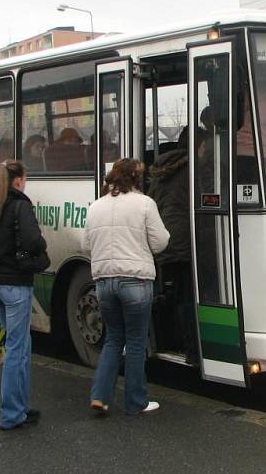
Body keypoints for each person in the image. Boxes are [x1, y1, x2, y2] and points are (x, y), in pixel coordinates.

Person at [83, 158, 170, 415]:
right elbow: (160, 242)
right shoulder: (145, 204)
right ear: (136, 179)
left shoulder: (95, 207)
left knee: (112, 339)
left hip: (104, 283)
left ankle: (99, 396)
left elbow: (86, 244)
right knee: (134, 342)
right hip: (135, 282)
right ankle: (136, 402)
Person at [0, 160, 47, 431]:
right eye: (24, 179)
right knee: (17, 348)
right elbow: (32, 243)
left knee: (20, 345)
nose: (25, 184)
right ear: (17, 181)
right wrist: (37, 245)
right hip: (15, 284)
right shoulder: (20, 205)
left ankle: (21, 408)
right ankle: (12, 414)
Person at [147, 127, 205, 362]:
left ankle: (177, 342)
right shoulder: (194, 171)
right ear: (198, 146)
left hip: (165, 241)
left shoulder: (163, 170)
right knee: (188, 298)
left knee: (178, 295)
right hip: (183, 243)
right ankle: (193, 350)